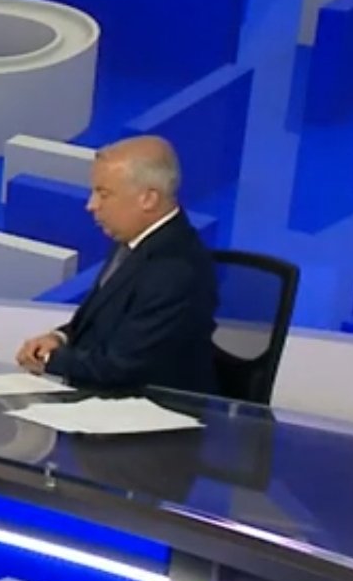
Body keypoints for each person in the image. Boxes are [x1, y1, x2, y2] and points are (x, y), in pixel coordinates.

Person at [16, 135, 219, 395]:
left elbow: (122, 366)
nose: (91, 205)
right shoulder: (132, 242)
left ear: (148, 199)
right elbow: (98, 325)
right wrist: (58, 338)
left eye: (104, 194)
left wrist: (49, 359)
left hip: (146, 411)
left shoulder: (175, 269)